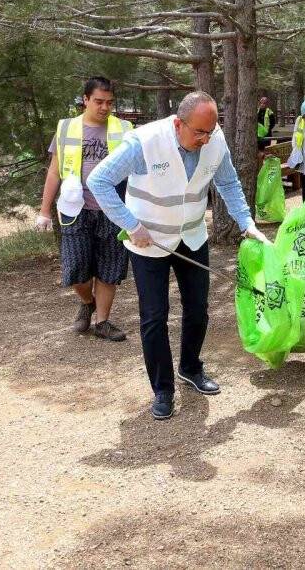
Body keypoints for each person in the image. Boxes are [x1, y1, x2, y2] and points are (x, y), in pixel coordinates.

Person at [86, 91, 270, 420]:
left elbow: (228, 183)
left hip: (192, 236)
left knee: (198, 309)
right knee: (155, 316)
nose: (205, 138)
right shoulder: (143, 142)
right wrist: (130, 224)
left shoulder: (214, 141)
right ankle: (163, 389)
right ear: (177, 123)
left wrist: (246, 223)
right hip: (148, 242)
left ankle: (190, 368)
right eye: (199, 131)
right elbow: (98, 180)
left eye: (210, 131)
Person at [35, 76, 133, 342]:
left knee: (109, 269)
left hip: (113, 208)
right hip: (75, 208)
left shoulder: (124, 129)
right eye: (99, 101)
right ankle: (87, 301)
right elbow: (54, 171)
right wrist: (44, 210)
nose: (104, 107)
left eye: (109, 102)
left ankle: (102, 321)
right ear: (86, 100)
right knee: (76, 269)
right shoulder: (67, 129)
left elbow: (136, 172)